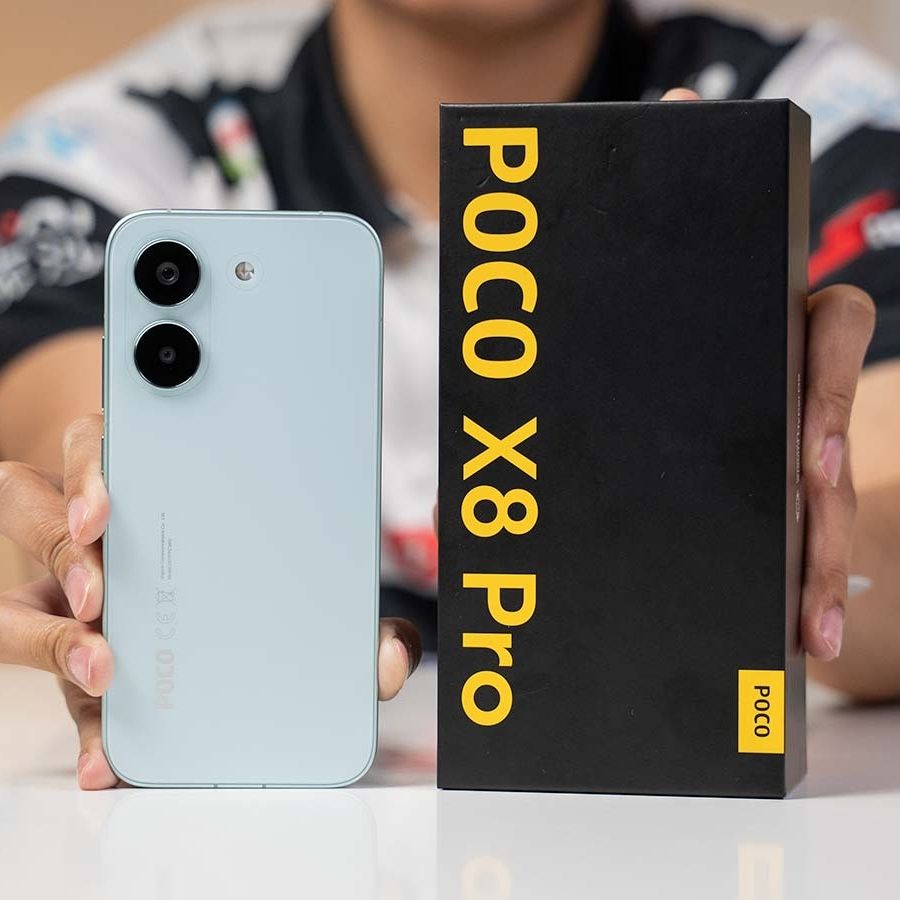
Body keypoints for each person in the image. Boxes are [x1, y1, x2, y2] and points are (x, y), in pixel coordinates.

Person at [0, 0, 897, 790]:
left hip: (647, 779)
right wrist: (99, 554)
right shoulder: (114, 145)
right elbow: (73, 436)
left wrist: (748, 519)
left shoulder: (819, 112)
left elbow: (882, 502)